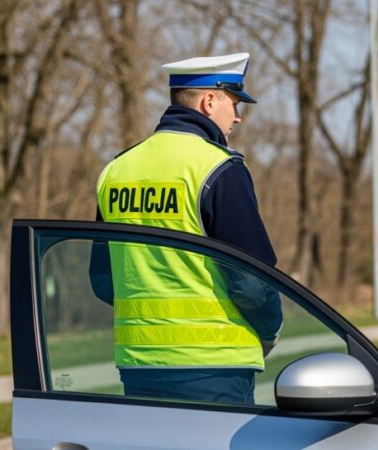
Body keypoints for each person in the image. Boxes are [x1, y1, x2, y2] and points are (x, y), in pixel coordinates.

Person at [89, 52, 282, 404]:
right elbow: (252, 283)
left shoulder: (117, 169)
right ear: (210, 101)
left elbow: (104, 282)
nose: (237, 118)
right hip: (215, 368)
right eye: (235, 104)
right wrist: (270, 330)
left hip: (138, 366)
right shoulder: (219, 168)